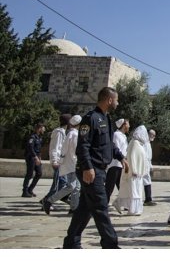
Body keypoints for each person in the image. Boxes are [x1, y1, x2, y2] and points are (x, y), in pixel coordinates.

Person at [63, 87, 129, 249]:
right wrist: (87, 167)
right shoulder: (90, 119)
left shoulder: (107, 119)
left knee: (85, 208)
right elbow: (83, 145)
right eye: (117, 100)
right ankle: (110, 245)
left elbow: (109, 145)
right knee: (100, 206)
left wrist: (121, 157)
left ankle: (72, 242)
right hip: (91, 169)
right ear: (109, 100)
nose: (118, 103)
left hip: (100, 169)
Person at [43, 115, 82, 215]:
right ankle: (49, 201)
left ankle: (74, 208)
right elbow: (72, 151)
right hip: (71, 164)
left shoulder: (72, 134)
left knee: (76, 187)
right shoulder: (74, 135)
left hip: (71, 164)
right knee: (71, 187)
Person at [113, 125, 150, 216]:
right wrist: (133, 170)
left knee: (135, 190)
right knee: (133, 191)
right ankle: (132, 209)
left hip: (138, 173)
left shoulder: (139, 144)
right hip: (133, 172)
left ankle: (132, 208)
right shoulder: (134, 143)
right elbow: (131, 157)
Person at [43, 114, 69, 203]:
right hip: (58, 162)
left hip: (61, 162)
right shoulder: (59, 132)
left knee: (62, 182)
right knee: (58, 183)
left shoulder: (62, 132)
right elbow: (56, 147)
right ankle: (47, 200)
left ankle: (48, 199)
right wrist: (55, 160)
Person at [105, 118, 129, 202]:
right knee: (109, 186)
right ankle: (104, 204)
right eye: (127, 124)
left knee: (121, 186)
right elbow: (116, 149)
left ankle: (126, 203)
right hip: (115, 164)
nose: (129, 126)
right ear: (123, 125)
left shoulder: (124, 136)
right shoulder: (116, 135)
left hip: (121, 164)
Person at [22, 123, 45, 197]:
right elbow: (30, 148)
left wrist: (39, 157)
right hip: (31, 157)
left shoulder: (39, 137)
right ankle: (24, 192)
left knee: (39, 173)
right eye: (43, 128)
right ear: (39, 128)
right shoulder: (32, 137)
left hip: (37, 157)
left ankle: (30, 189)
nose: (44, 130)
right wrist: (35, 157)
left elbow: (38, 149)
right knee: (29, 174)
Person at [143, 129, 157, 206]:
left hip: (147, 164)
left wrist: (150, 166)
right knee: (146, 181)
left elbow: (149, 157)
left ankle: (148, 198)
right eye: (152, 135)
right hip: (144, 165)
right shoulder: (145, 143)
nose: (153, 136)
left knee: (147, 181)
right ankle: (148, 199)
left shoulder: (148, 143)